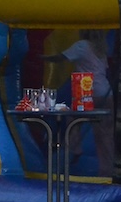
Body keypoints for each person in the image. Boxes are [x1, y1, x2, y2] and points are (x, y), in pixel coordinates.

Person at [43, 30, 114, 176]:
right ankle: (107, 169)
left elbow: (60, 57)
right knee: (104, 133)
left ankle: (75, 148)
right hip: (105, 93)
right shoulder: (101, 48)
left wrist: (44, 58)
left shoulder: (82, 45)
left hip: (88, 92)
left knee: (72, 119)